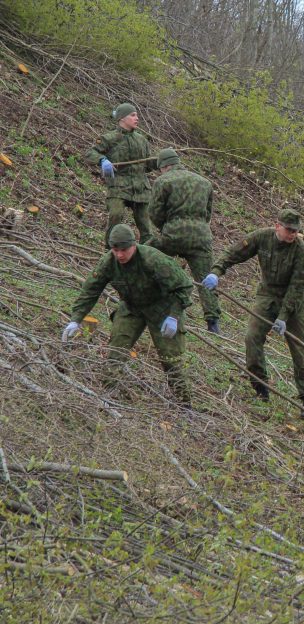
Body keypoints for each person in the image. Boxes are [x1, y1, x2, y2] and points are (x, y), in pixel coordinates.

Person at [202, 209, 304, 418]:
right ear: (277, 226)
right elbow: (235, 252)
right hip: (267, 295)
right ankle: (260, 387)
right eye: (289, 230)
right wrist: (216, 271)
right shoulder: (262, 237)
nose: (292, 234)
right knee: (252, 338)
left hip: (295, 302)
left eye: (295, 231)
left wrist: (283, 317)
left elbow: (297, 287)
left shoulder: (301, 250)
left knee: (300, 350)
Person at [62, 224, 193, 404]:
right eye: (116, 250)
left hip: (162, 309)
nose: (120, 255)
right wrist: (76, 319)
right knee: (116, 351)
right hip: (131, 308)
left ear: (134, 245)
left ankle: (184, 405)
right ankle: (108, 397)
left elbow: (184, 286)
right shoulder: (108, 262)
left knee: (171, 360)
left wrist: (174, 316)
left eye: (124, 250)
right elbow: (90, 290)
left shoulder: (153, 259)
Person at [144, 148, 222, 334]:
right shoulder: (204, 183)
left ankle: (141, 296)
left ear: (164, 166)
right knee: (205, 279)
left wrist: (166, 228)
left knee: (145, 255)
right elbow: (207, 213)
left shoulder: (162, 181)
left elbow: (154, 213)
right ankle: (213, 323)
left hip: (172, 235)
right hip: (201, 238)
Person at [86, 102, 157, 248]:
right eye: (133, 115)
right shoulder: (109, 138)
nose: (137, 118)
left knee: (146, 227)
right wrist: (102, 160)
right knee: (115, 216)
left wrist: (162, 160)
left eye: (137, 115)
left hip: (141, 189)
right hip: (118, 187)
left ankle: (146, 256)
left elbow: (147, 166)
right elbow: (90, 153)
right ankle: (110, 252)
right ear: (122, 118)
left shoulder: (141, 140)